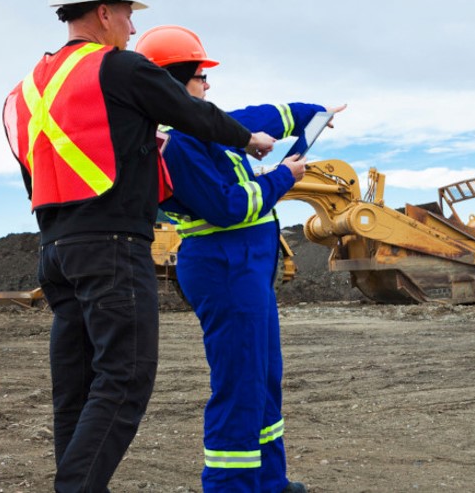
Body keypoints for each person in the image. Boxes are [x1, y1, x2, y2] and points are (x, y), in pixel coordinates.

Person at [1, 0, 275, 492]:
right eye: (129, 15)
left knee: (76, 391)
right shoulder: (119, 67)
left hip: (55, 250)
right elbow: (191, 113)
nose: (133, 27)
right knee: (125, 380)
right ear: (104, 13)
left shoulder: (23, 90)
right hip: (112, 248)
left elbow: (33, 165)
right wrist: (250, 139)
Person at [134, 25, 344, 493]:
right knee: (239, 384)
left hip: (244, 268)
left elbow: (259, 115)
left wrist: (316, 113)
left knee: (264, 378)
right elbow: (229, 207)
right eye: (200, 77)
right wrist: (284, 177)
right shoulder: (181, 144)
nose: (208, 85)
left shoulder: (199, 128)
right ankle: (230, 487)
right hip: (223, 268)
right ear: (174, 83)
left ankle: (270, 481)